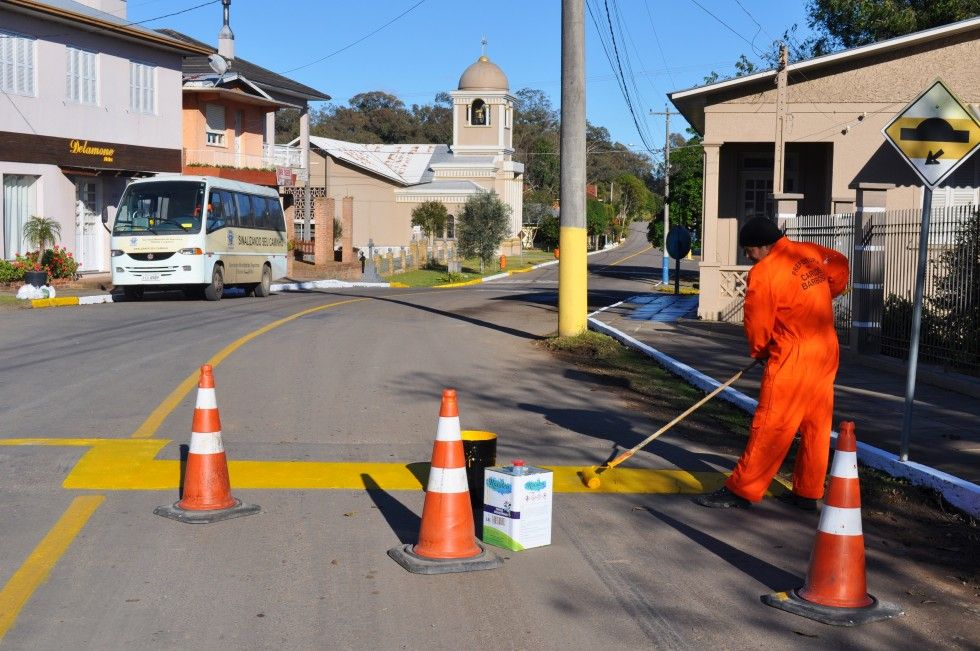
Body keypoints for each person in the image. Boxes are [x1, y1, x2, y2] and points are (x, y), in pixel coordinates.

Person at [696, 216, 849, 511]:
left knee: (772, 424)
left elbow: (757, 324)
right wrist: (828, 293)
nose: (747, 255)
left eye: (749, 250)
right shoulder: (809, 252)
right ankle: (808, 493)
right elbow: (840, 265)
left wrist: (762, 351)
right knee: (816, 424)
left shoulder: (764, 274)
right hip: (826, 348)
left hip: (793, 354)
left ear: (764, 247)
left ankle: (742, 490)